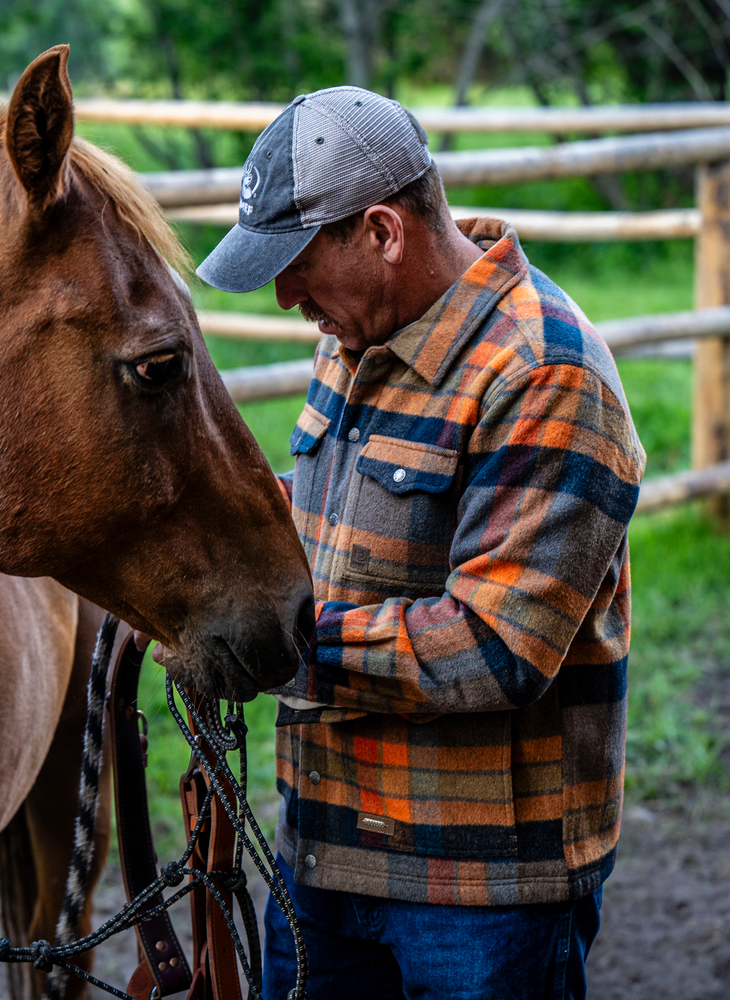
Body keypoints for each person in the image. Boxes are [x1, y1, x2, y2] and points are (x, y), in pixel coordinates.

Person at [194, 87, 645, 1000]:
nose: (286, 297)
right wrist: (198, 563)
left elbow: (495, 647)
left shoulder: (544, 371)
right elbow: (332, 517)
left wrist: (264, 639)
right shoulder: (358, 332)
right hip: (322, 852)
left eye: (296, 264)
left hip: (480, 896)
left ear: (383, 232)